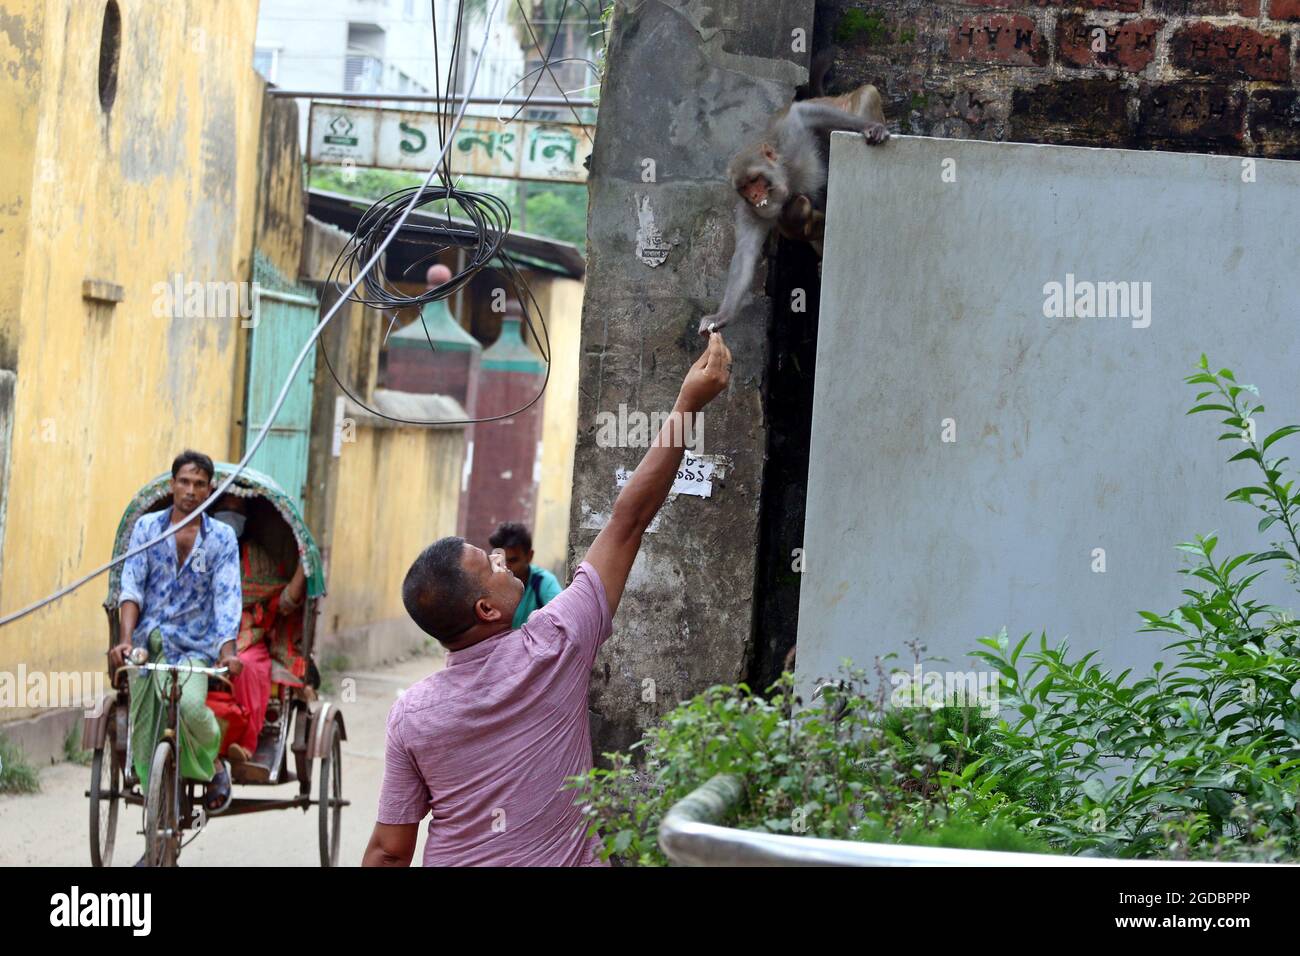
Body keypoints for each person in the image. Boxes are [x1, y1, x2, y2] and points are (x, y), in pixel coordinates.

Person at [364, 333, 732, 867]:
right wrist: (687, 405)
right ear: (486, 611)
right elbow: (627, 522)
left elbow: (389, 850)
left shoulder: (412, 714)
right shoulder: (554, 645)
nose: (500, 561)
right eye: (487, 565)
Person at [110, 450, 243, 818]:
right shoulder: (148, 529)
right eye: (184, 481)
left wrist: (227, 652)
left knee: (189, 706)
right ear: (172, 485)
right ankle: (155, 818)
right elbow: (132, 586)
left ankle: (213, 762)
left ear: (209, 490)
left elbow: (227, 597)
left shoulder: (221, 539)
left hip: (194, 648)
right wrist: (125, 638)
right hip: (148, 644)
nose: (190, 490)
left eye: (199, 484)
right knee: (144, 721)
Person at [208, 491, 308, 781]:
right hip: (202, 632)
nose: (230, 515)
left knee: (248, 666)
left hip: (247, 636)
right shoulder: (199, 548)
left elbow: (283, 602)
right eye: (224, 508)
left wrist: (304, 567)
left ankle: (242, 746)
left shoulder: (255, 558)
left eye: (237, 511)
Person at [487, 522, 561, 629]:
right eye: (500, 561)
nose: (505, 567)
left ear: (529, 556)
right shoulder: (488, 583)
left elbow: (561, 617)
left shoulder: (542, 582)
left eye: (512, 560)